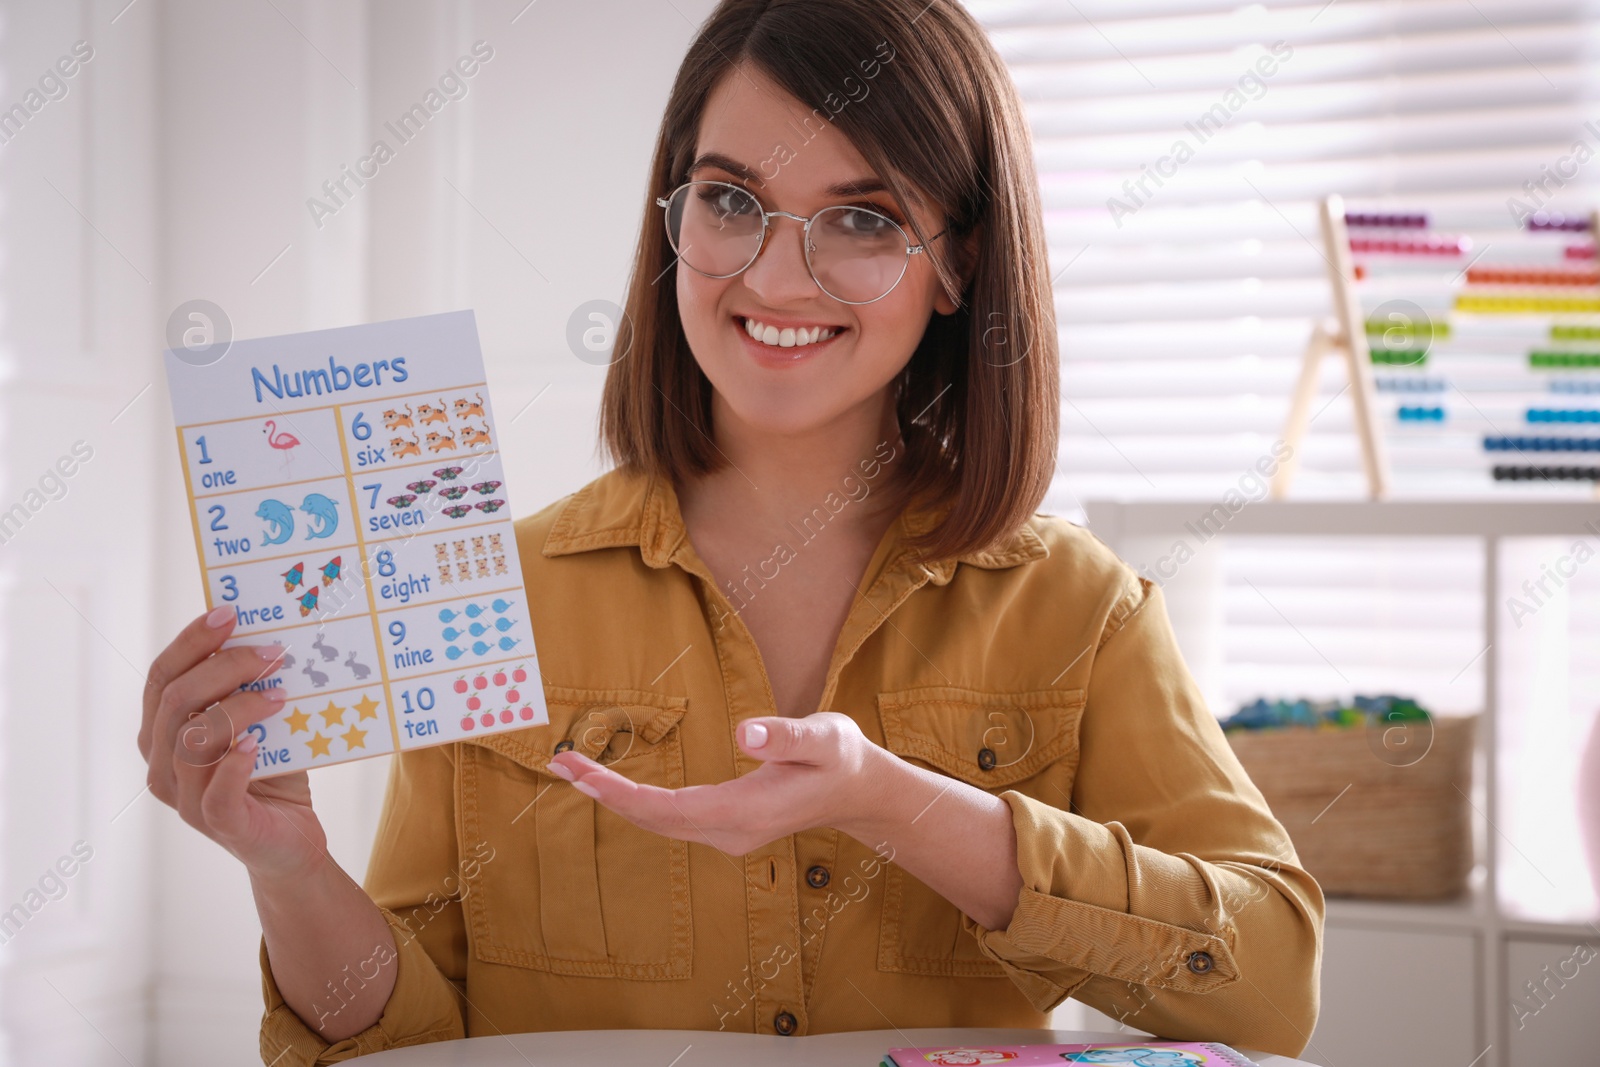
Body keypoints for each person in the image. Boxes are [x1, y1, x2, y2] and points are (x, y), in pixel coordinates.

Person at [137, 1, 1324, 1062]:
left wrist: (890, 799)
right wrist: (287, 866)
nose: (775, 272)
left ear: (957, 261)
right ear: (675, 220)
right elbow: (406, 1041)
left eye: (861, 217)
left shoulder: (1079, 607)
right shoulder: (502, 592)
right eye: (732, 199)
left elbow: (1268, 987)